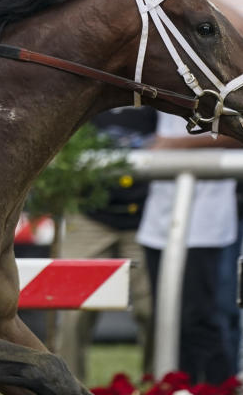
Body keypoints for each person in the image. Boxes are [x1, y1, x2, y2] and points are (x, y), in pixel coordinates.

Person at [136, 111, 238, 385]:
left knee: (199, 318)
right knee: (167, 319)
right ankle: (177, 385)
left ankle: (220, 387)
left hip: (204, 220)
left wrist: (174, 144)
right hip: (159, 216)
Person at [56, 106, 156, 381]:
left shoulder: (158, 96)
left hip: (145, 216)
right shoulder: (87, 93)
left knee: (153, 311)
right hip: (89, 213)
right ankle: (66, 386)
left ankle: (156, 384)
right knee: (71, 311)